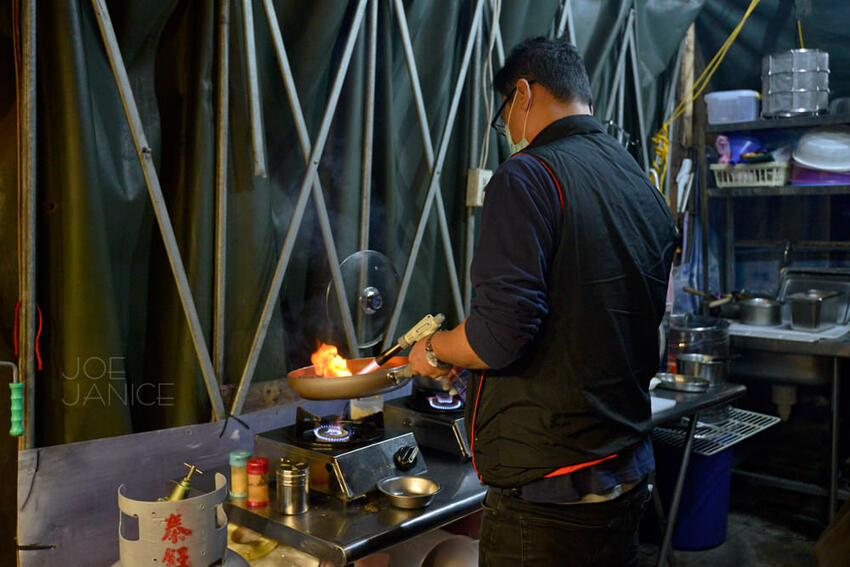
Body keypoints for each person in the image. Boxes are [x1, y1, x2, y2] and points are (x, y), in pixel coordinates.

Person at [408, 36, 677, 566]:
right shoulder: (640, 185)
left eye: (504, 114)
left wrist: (437, 349)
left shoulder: (529, 175)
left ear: (523, 95)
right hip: (625, 474)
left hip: (551, 497)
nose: (508, 131)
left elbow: (498, 335)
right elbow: (596, 319)